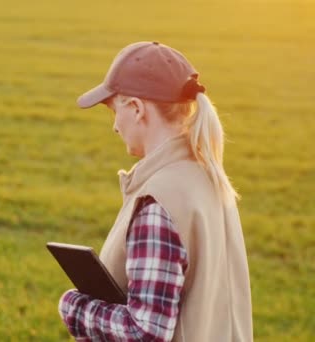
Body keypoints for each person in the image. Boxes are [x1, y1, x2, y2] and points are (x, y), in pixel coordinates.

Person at [57, 42, 253, 341]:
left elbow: (145, 331)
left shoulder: (160, 202)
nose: (114, 127)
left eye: (114, 111)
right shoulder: (207, 178)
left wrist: (74, 307)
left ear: (136, 108)